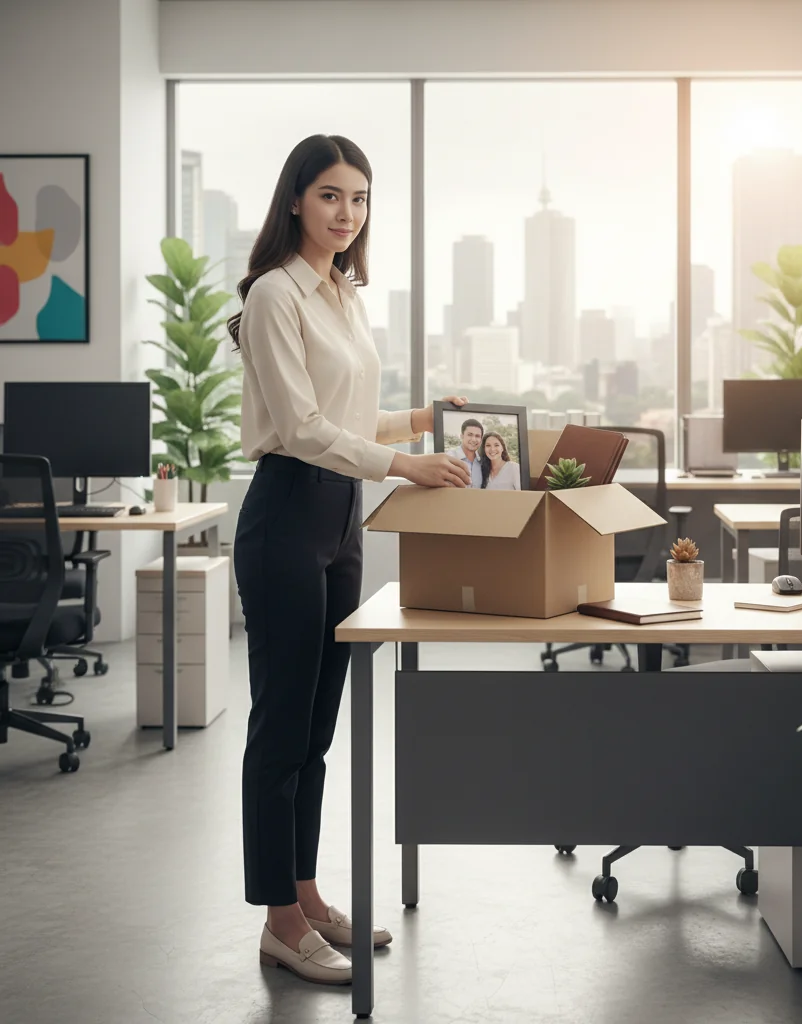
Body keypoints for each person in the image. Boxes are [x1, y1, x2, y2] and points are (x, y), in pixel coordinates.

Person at [229, 134, 471, 987]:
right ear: (296, 199)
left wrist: (422, 420)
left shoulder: (342, 295)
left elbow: (346, 419)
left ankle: (306, 894)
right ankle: (280, 922)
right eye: (331, 195)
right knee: (281, 729)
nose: (347, 213)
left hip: (341, 519)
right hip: (287, 514)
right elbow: (300, 429)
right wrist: (406, 465)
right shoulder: (274, 294)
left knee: (319, 731)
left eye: (359, 198)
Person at [446, 418, 484, 487]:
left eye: (477, 436)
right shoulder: (449, 458)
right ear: (462, 436)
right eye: (470, 435)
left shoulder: (482, 462)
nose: (474, 439)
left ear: (481, 439)